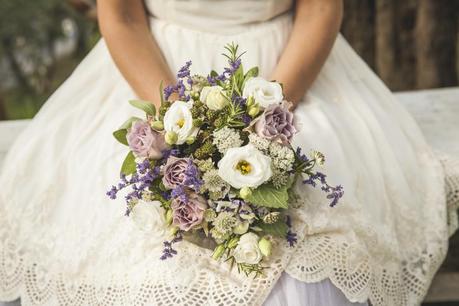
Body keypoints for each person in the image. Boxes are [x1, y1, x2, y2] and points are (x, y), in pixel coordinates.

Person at [0, 0, 452, 305]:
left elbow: (321, 8)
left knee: (306, 240)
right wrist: (182, 126)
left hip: (290, 73)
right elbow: (122, 19)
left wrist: (265, 118)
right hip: (153, 74)